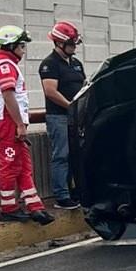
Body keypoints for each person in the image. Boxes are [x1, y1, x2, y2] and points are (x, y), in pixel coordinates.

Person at [0, 26, 54, 225]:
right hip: (6, 121)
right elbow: (8, 95)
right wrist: (20, 125)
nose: (24, 50)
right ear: (12, 45)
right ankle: (8, 208)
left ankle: (35, 207)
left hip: (10, 121)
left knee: (23, 165)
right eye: (21, 46)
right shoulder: (4, 65)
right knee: (10, 165)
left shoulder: (4, 63)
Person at [39, 21, 86, 209]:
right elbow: (50, 91)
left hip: (75, 116)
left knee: (76, 154)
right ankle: (62, 195)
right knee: (61, 155)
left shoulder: (76, 63)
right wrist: (70, 106)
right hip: (58, 116)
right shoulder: (49, 64)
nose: (74, 47)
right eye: (71, 44)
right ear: (59, 43)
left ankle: (76, 190)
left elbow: (83, 86)